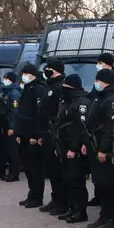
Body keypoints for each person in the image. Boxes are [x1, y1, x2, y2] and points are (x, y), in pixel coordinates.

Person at [86, 68, 114, 228]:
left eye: (98, 81)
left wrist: (104, 149)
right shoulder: (100, 97)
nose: (96, 84)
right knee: (100, 183)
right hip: (95, 145)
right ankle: (105, 214)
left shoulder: (113, 99)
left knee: (110, 185)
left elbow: (111, 127)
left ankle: (113, 218)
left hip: (106, 149)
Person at [57, 74, 92, 222]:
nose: (63, 89)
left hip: (74, 148)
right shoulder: (67, 101)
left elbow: (81, 128)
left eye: (66, 86)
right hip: (64, 145)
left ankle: (80, 210)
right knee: (67, 180)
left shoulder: (82, 102)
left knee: (76, 180)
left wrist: (74, 148)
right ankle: (72, 207)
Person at [15, 65, 47, 208]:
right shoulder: (27, 89)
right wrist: (18, 133)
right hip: (23, 133)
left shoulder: (39, 89)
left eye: (26, 73)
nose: (24, 76)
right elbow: (21, 113)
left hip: (32, 134)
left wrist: (36, 135)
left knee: (35, 168)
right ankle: (31, 194)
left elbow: (39, 114)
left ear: (33, 75)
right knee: (27, 167)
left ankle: (37, 197)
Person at [39, 62, 67, 215]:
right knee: (51, 169)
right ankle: (55, 199)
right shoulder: (49, 86)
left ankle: (62, 201)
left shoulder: (59, 87)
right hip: (47, 131)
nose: (45, 72)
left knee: (57, 170)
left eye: (48, 69)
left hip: (55, 132)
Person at [0, 72, 23, 182]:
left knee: (13, 151)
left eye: (6, 78)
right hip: (5, 124)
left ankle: (14, 174)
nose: (4, 80)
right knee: (8, 149)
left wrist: (12, 128)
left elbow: (15, 112)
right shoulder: (6, 91)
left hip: (12, 125)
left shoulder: (15, 93)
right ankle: (10, 173)